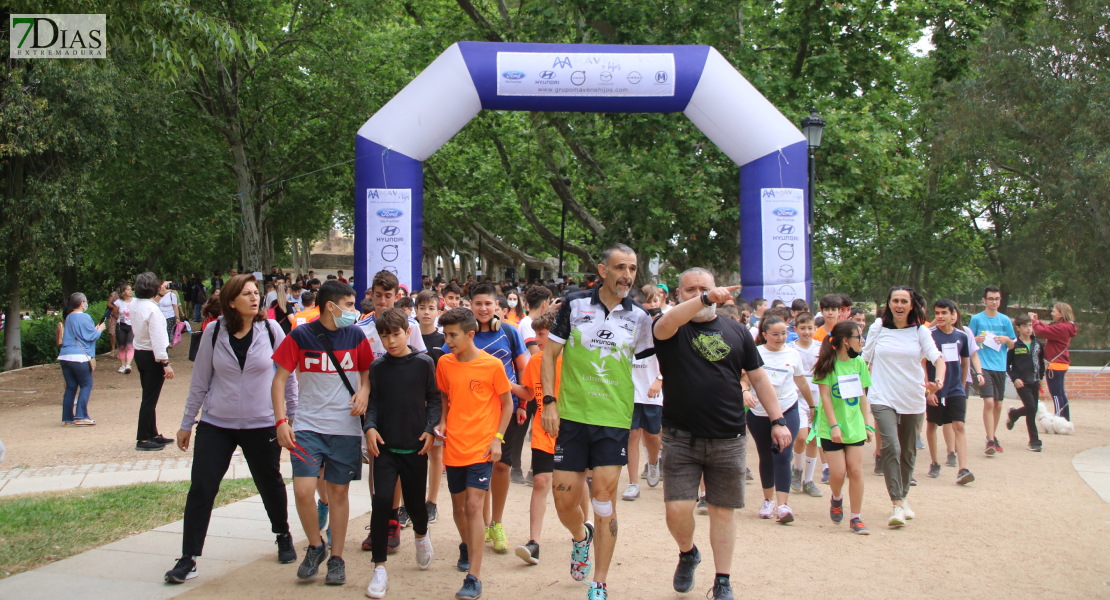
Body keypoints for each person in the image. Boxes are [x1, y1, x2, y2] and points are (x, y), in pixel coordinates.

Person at [652, 267, 790, 600]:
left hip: (728, 437)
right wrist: (703, 298)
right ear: (679, 295)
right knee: (677, 510)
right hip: (680, 437)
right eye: (690, 290)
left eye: (706, 288)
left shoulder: (737, 331)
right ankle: (688, 554)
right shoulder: (669, 328)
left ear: (721, 292)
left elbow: (757, 378)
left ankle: (723, 580)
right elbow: (665, 323)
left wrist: (777, 419)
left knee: (722, 511)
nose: (700, 294)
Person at [166, 275, 299, 583]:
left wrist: (292, 418)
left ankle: (282, 534)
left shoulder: (272, 329)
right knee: (202, 486)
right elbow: (200, 382)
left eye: (256, 293)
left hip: (262, 422)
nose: (255, 298)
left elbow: (287, 377)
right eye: (246, 294)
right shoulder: (213, 332)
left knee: (270, 482)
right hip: (216, 424)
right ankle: (188, 557)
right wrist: (187, 423)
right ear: (230, 301)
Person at [540, 244, 655, 600]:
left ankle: (600, 582)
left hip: (613, 420)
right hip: (572, 418)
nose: (627, 275)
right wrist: (549, 401)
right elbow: (549, 354)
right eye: (621, 267)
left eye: (633, 269)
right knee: (564, 501)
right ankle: (581, 537)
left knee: (604, 500)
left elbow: (654, 359)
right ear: (603, 271)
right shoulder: (574, 305)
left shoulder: (640, 317)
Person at [271, 280, 372, 585]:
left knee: (339, 493)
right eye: (350, 305)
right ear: (331, 306)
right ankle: (317, 546)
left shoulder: (356, 335)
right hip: (307, 426)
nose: (354, 311)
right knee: (302, 490)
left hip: (345, 428)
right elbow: (279, 380)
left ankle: (338, 559)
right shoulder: (300, 335)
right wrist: (281, 421)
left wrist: (364, 391)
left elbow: (367, 371)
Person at [440, 282, 530, 551]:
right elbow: (447, 376)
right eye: (477, 303)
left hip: (507, 407)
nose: (483, 308)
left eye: (488, 304)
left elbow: (522, 370)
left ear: (497, 307)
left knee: (501, 466)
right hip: (472, 414)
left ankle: (496, 524)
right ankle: (483, 521)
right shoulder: (460, 333)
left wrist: (522, 403)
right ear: (470, 305)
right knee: (480, 470)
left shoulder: (509, 332)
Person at [435, 308, 514, 600]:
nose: (448, 340)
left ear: (470, 335)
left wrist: (497, 439)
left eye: (453, 335)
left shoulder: (492, 365)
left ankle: (474, 577)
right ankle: (467, 545)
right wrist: (442, 420)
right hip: (453, 445)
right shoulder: (443, 363)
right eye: (445, 335)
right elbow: (444, 394)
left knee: (472, 506)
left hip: (482, 447)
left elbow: (507, 404)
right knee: (458, 510)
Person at [363, 309, 440, 598]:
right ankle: (379, 568)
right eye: (385, 336)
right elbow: (373, 403)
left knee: (415, 506)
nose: (391, 340)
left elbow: (433, 399)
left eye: (396, 334)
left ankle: (421, 535)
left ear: (408, 333)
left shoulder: (423, 363)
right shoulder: (377, 367)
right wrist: (369, 427)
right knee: (382, 502)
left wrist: (431, 429)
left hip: (415, 448)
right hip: (384, 448)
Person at [862, 286, 945, 528]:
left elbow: (937, 359)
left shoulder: (920, 331)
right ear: (888, 304)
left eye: (904, 301)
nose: (899, 305)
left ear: (911, 305)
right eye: (894, 300)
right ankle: (897, 503)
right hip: (882, 396)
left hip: (912, 397)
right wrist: (858, 392)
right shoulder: (878, 327)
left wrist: (937, 382)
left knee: (908, 451)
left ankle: (904, 497)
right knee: (891, 446)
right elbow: (864, 359)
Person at [355, 270, 426, 547]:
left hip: (404, 411)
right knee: (377, 462)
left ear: (397, 296)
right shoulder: (360, 329)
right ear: (370, 295)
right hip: (374, 409)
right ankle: (379, 520)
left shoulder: (412, 327)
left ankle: (393, 521)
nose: (383, 301)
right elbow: (361, 372)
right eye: (378, 295)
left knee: (397, 461)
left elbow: (420, 363)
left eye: (389, 296)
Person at [750, 315, 815, 524]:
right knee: (766, 455)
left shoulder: (793, 354)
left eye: (784, 333)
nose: (780, 338)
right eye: (775, 334)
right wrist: (744, 391)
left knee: (783, 454)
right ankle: (768, 500)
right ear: (764, 335)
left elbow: (802, 383)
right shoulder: (755, 353)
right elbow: (743, 378)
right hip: (759, 412)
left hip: (787, 409)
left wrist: (812, 405)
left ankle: (784, 505)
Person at [812, 321, 875, 535]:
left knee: (856, 471)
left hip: (855, 426)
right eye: (859, 337)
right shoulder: (827, 364)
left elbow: (862, 396)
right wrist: (834, 426)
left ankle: (856, 518)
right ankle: (836, 498)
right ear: (846, 341)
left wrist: (867, 424)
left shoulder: (860, 365)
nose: (862, 341)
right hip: (832, 427)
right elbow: (825, 398)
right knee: (838, 473)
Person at [924, 299, 974, 484]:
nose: (940, 316)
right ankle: (935, 462)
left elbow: (965, 361)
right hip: (935, 390)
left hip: (956, 390)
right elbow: (923, 363)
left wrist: (961, 386)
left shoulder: (962, 336)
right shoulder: (929, 336)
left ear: (953, 314)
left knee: (959, 425)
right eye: (937, 313)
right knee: (932, 425)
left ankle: (962, 469)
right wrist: (929, 390)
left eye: (944, 312)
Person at [622, 288, 663, 502]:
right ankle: (632, 482)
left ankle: (654, 462)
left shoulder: (659, 329)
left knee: (653, 436)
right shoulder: (624, 329)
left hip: (653, 392)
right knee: (632, 436)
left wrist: (659, 379)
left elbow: (670, 359)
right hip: (630, 392)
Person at [969, 285, 1016, 454]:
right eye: (991, 299)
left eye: (997, 299)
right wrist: (976, 338)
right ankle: (990, 441)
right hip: (983, 366)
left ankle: (992, 435)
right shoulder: (976, 319)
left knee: (998, 404)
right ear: (984, 300)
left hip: (1000, 366)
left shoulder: (1005, 320)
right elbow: (968, 341)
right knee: (988, 402)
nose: (994, 302)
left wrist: (1005, 339)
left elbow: (1012, 344)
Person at [132, 273, 176, 451]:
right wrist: (165, 363)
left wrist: (160, 294)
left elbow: (150, 304)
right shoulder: (153, 310)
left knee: (148, 396)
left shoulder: (136, 305)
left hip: (140, 353)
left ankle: (152, 433)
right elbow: (158, 338)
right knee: (150, 399)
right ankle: (142, 438)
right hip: (153, 356)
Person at [58, 293, 106, 426]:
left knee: (70, 387)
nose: (86, 303)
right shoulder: (85, 317)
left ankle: (68, 418)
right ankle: (81, 416)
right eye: (86, 301)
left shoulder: (68, 318)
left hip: (65, 355)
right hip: (79, 356)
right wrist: (100, 330)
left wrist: (94, 331)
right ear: (82, 303)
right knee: (86, 384)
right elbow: (91, 336)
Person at [789, 312, 823, 496]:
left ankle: (809, 481)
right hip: (797, 397)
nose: (807, 332)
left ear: (815, 329)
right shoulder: (790, 348)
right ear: (796, 329)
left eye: (810, 328)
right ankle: (798, 468)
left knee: (814, 438)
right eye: (802, 328)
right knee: (801, 436)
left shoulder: (821, 348)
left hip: (817, 398)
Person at [1006, 314, 1046, 451]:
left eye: (1030, 325)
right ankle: (1034, 441)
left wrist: (1041, 378)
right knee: (1031, 408)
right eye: (1025, 326)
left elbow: (1041, 362)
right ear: (1018, 328)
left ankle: (1014, 414)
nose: (1028, 329)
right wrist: (1015, 378)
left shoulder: (1038, 344)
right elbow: (1007, 365)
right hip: (1022, 383)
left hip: (1035, 381)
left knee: (1031, 411)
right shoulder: (1014, 345)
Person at [1030, 303, 1077, 421]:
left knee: (1056, 394)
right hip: (1060, 364)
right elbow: (1047, 329)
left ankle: (1059, 418)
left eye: (1054, 311)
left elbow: (1042, 331)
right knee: (1060, 393)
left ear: (1061, 314)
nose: (1052, 313)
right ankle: (1065, 418)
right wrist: (1037, 321)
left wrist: (1033, 321)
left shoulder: (1062, 327)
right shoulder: (1065, 326)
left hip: (1055, 365)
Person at [519, 285, 553, 354]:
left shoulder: (529, 322)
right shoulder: (526, 323)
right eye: (548, 303)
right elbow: (536, 352)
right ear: (544, 303)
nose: (549, 307)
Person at [113, 284, 136, 374]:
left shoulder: (135, 301)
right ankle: (122, 365)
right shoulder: (118, 302)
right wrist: (121, 319)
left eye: (131, 289)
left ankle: (128, 365)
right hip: (121, 325)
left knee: (130, 345)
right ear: (123, 292)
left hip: (132, 326)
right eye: (128, 289)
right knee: (121, 346)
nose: (130, 291)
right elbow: (115, 314)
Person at [159, 280, 184, 345]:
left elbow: (175, 307)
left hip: (169, 316)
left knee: (166, 333)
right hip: (159, 317)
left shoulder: (172, 295)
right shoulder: (157, 295)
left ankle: (166, 347)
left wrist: (177, 318)